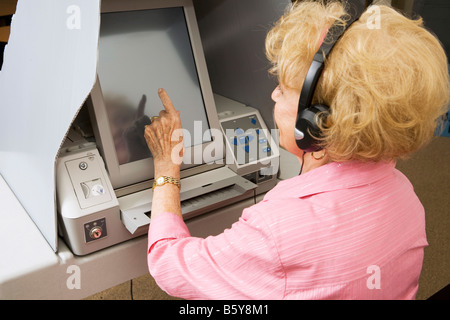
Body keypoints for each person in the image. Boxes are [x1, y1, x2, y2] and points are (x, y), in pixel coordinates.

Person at [144, 1, 449, 299]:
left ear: (319, 121)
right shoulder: (406, 196)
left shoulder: (277, 230)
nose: (274, 93)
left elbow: (170, 263)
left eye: (285, 88)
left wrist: (166, 167)